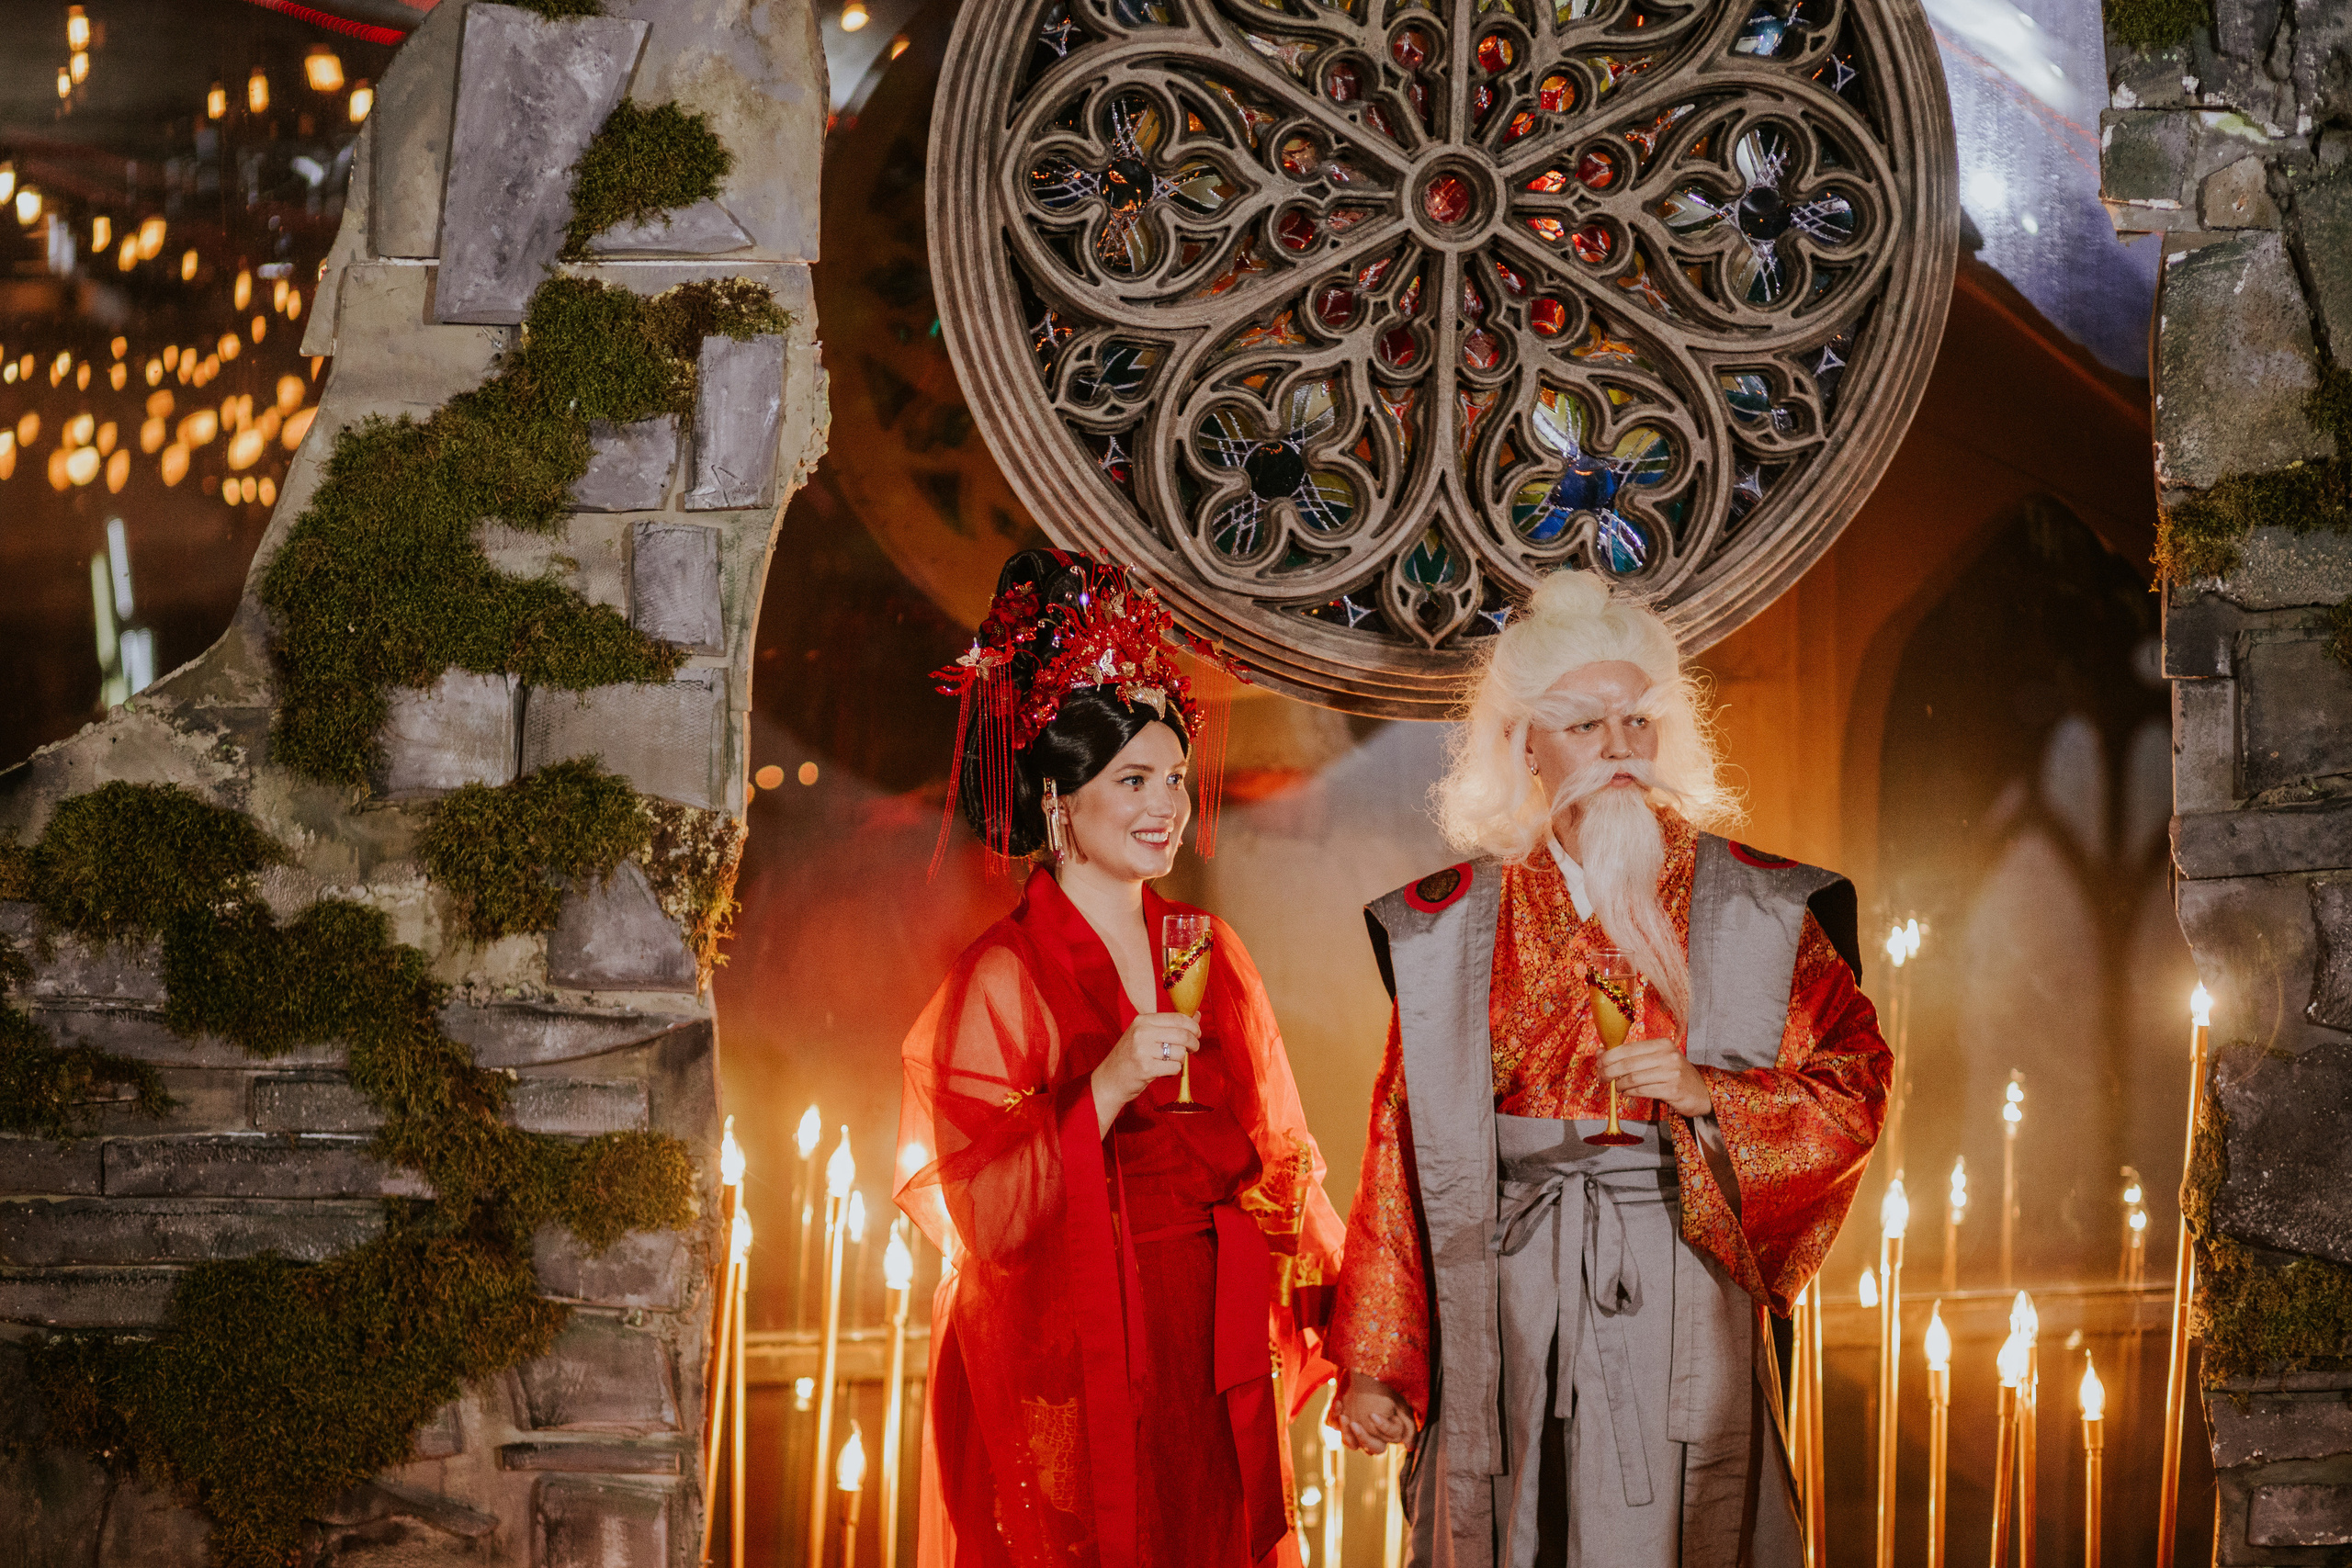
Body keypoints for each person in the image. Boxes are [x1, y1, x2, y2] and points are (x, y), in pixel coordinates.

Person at [1325, 570, 1889, 1567]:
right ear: (1523, 746)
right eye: (1585, 726)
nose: (1619, 749)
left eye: (1637, 721)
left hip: (1684, 1294)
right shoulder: (1450, 925)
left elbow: (1853, 1084)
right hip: (1506, 1298)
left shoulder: (1761, 908)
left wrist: (1711, 1095)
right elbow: (1400, 1149)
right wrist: (1377, 1365)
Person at [894, 549, 1345, 1568]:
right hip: (1074, 1350)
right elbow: (980, 1213)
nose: (1165, 805)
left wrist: (1359, 1332)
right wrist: (1099, 1091)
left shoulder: (1207, 949)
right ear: (1061, 800)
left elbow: (1282, 1160)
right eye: (1132, 779)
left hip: (1203, 1337)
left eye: (1175, 778)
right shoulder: (1003, 976)